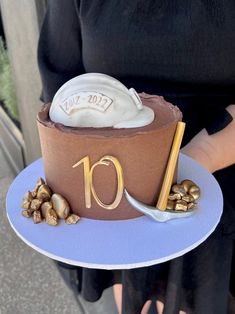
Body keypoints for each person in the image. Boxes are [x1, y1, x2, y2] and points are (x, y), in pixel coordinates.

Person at [37, 1, 235, 313]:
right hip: (111, 187)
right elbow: (60, 82)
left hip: (220, 179)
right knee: (133, 296)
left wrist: (191, 162)